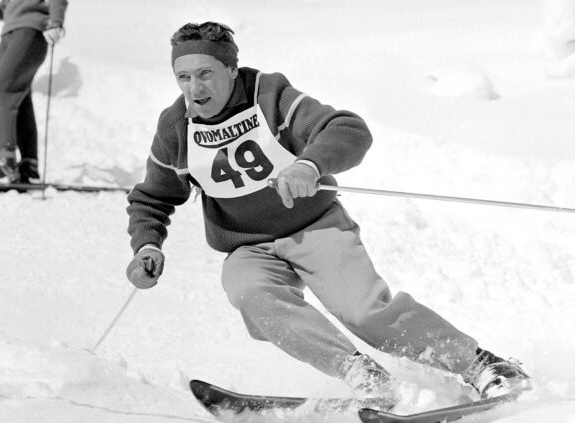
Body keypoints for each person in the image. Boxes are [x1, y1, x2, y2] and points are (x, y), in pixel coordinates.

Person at [125, 22, 531, 400]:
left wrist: (309, 164)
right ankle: (362, 375)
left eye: (206, 73)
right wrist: (147, 246)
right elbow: (153, 197)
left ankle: (480, 364)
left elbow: (348, 129)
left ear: (231, 69)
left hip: (314, 227)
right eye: (184, 77)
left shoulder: (270, 96)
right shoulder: (176, 128)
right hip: (250, 247)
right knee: (249, 291)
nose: (194, 88)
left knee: (364, 312)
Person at [0, 0, 67, 183]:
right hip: (10, 35)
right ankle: (29, 165)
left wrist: (55, 23)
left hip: (29, 32)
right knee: (19, 97)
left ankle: (6, 161)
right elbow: (3, 10)